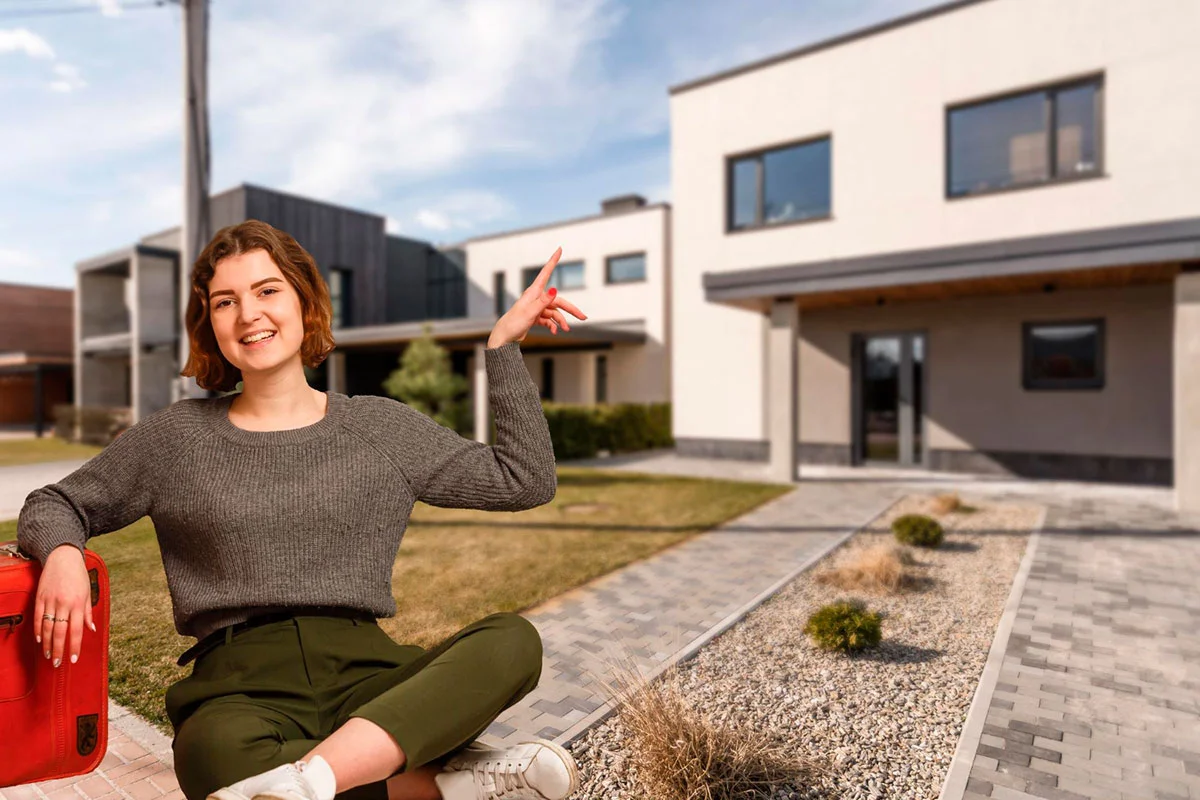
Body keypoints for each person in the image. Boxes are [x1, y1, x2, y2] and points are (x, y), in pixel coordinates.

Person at [17, 220, 589, 800]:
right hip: (238, 692)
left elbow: (524, 480)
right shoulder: (176, 437)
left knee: (512, 641)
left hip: (372, 680)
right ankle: (434, 781)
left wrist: (503, 348)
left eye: (267, 291)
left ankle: (312, 780)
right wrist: (64, 552)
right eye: (225, 301)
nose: (248, 315)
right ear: (210, 323)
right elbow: (54, 502)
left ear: (303, 299)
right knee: (211, 757)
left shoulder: (378, 426)